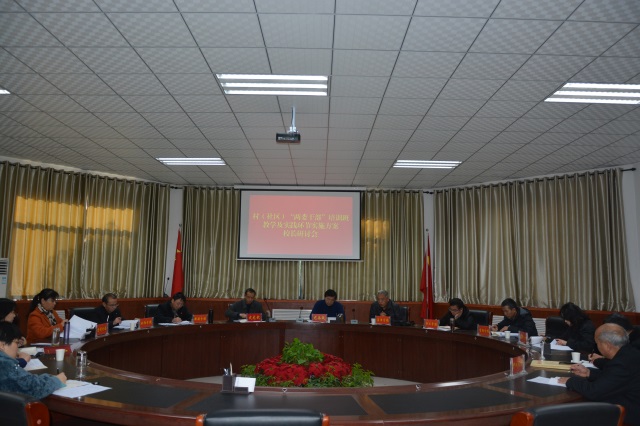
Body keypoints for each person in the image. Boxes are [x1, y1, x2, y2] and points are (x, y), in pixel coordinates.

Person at [558, 324, 640, 426]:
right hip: (629, 403)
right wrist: (589, 373)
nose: (596, 346)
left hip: (630, 416)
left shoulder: (621, 363)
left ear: (607, 345)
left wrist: (570, 381)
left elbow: (594, 392)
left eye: (597, 343)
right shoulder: (630, 353)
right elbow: (614, 379)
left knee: (577, 411)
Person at [0, 322, 67, 399]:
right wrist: (57, 381)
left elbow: (27, 379)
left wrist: (47, 378)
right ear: (2, 345)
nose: (17, 347)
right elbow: (33, 388)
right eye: (16, 342)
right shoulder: (5, 365)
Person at [0, 298, 30, 367]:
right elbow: (5, 367)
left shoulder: (8, 327)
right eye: (12, 312)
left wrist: (18, 341)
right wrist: (22, 361)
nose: (14, 315)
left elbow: (22, 338)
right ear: (3, 312)